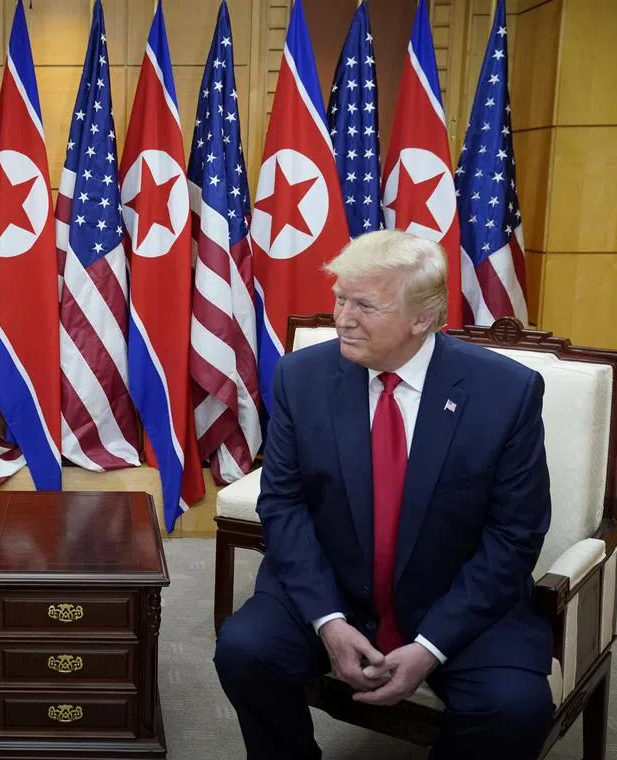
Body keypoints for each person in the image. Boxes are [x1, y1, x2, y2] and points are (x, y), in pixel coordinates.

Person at [214, 230, 554, 760]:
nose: (342, 318)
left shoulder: (506, 393)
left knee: (515, 708)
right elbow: (282, 503)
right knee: (244, 651)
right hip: (336, 585)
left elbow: (515, 534)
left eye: (364, 305)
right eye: (340, 298)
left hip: (453, 596)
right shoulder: (302, 377)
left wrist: (431, 645)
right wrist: (328, 619)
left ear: (422, 319)